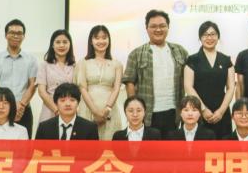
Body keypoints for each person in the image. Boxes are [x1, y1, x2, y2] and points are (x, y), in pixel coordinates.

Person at [124, 9, 189, 137]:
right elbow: (129, 82)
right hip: (148, 114)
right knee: (149, 149)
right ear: (146, 28)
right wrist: (134, 110)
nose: (158, 29)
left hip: (173, 112)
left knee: (171, 147)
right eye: (153, 26)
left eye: (162, 26)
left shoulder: (180, 51)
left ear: (168, 27)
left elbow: (189, 79)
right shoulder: (136, 53)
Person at [184, 21, 235, 139]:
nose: (209, 38)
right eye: (205, 35)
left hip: (221, 111)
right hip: (197, 111)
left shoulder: (226, 60)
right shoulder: (192, 60)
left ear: (218, 36)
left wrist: (221, 111)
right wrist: (203, 109)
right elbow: (188, 86)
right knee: (200, 146)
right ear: (200, 38)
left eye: (213, 34)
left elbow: (231, 87)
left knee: (223, 146)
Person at [0, 19, 38, 137]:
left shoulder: (31, 59)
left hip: (23, 110)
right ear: (6, 35)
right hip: (1, 110)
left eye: (19, 33)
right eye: (12, 33)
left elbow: (32, 85)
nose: (16, 36)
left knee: (24, 146)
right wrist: (8, 105)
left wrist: (21, 105)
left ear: (24, 36)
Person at [76, 25, 124, 140]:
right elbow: (82, 88)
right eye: (97, 38)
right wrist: (95, 112)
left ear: (109, 40)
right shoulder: (83, 63)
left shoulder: (117, 64)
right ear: (91, 41)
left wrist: (107, 110)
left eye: (104, 37)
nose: (101, 41)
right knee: (87, 144)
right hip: (88, 108)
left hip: (109, 110)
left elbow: (116, 88)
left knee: (109, 144)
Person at [35, 29, 76, 124]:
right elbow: (41, 91)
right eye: (58, 42)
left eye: (65, 42)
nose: (61, 45)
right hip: (50, 108)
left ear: (70, 45)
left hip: (69, 109)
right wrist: (56, 110)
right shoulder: (44, 65)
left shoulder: (75, 66)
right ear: (52, 45)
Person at [35, 83, 100, 140]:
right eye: (63, 100)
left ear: (78, 103)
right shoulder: (44, 127)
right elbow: (38, 150)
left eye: (72, 100)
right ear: (56, 103)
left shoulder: (90, 128)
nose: (68, 104)